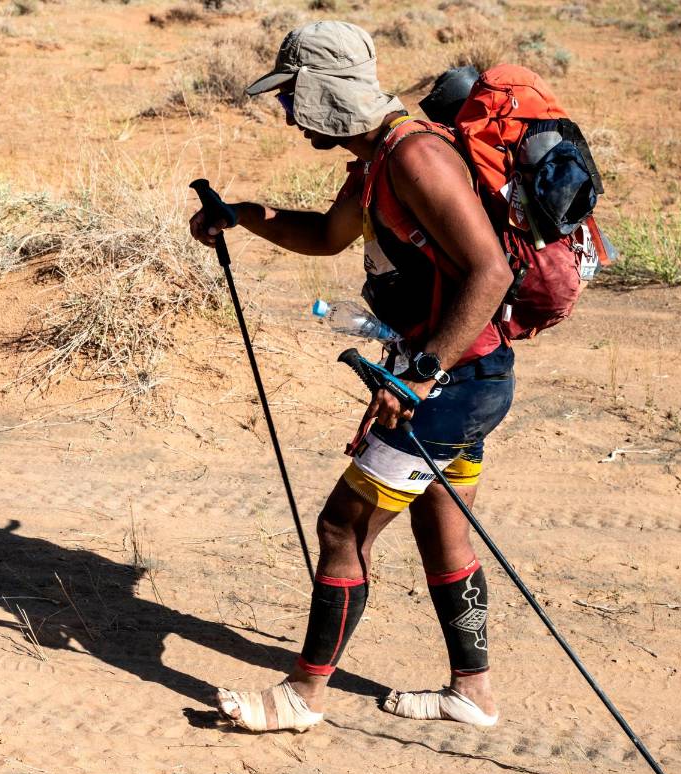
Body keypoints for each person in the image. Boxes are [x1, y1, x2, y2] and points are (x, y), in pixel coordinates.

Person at [188, 21, 516, 732]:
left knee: (342, 528)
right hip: (462, 376)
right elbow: (326, 237)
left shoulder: (415, 157)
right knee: (441, 527)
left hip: (452, 382)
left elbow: (493, 272)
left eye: (293, 96)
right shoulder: (376, 163)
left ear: (324, 92)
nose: (287, 112)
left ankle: (302, 696)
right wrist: (240, 215)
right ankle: (473, 692)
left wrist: (422, 377)